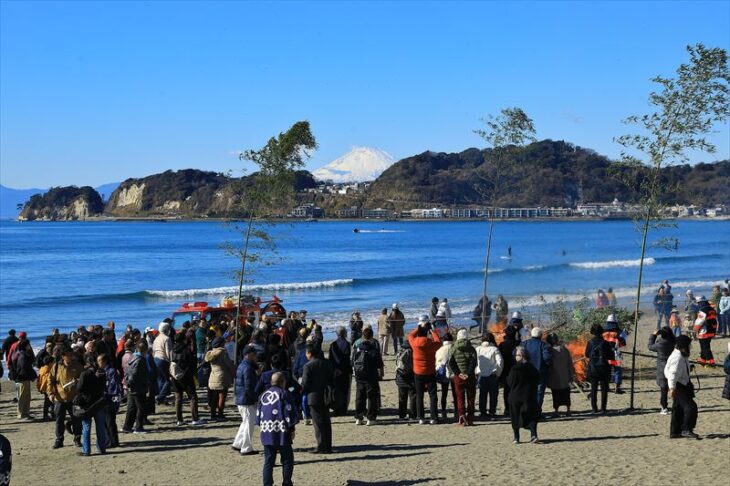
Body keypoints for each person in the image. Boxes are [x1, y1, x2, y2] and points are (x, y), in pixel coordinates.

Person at [258, 372, 298, 486]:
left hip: (267, 431)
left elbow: (259, 416)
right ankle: (287, 483)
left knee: (268, 462)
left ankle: (267, 484)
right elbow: (289, 413)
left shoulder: (263, 395)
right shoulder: (284, 394)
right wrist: (292, 429)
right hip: (282, 432)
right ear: (283, 382)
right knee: (287, 459)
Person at [47, 346, 84, 448]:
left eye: (71, 354)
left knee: (76, 419)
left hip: (74, 397)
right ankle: (59, 440)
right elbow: (50, 380)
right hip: (60, 398)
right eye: (68, 355)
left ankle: (77, 439)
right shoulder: (56, 367)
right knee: (59, 420)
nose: (70, 356)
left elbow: (83, 378)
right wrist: (50, 393)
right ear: (63, 356)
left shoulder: (77, 365)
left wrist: (78, 382)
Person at [409, 315, 442, 425]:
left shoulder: (414, 342)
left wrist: (418, 327)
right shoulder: (430, 343)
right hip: (430, 371)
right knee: (433, 395)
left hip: (418, 372)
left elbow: (410, 336)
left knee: (419, 395)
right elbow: (439, 341)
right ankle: (433, 417)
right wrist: (432, 330)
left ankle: (421, 418)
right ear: (426, 333)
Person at [665, 335, 699, 439]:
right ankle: (686, 430)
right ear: (684, 346)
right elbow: (672, 374)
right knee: (691, 407)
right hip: (678, 386)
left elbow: (678, 369)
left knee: (678, 408)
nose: (690, 347)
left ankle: (675, 432)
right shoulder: (677, 357)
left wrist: (689, 367)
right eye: (689, 345)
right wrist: (671, 388)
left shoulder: (680, 354)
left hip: (681, 384)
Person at [301, 344, 334, 453]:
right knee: (326, 421)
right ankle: (328, 445)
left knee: (318, 422)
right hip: (326, 395)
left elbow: (305, 384)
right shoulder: (327, 363)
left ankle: (321, 446)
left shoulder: (308, 366)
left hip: (313, 396)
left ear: (310, 353)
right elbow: (331, 378)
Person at [506, 346, 540, 444]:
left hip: (515, 396)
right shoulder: (532, 368)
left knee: (515, 416)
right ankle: (533, 435)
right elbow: (537, 379)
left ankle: (516, 437)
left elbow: (509, 382)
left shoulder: (514, 369)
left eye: (517, 355)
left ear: (521, 356)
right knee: (531, 415)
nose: (516, 357)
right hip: (528, 395)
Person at [75, 355, 108, 456]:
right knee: (100, 426)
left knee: (86, 427)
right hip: (99, 402)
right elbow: (103, 387)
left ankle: (86, 450)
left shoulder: (84, 374)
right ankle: (102, 448)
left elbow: (79, 389)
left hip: (87, 404)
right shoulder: (101, 373)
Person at [352, 327, 384, 426]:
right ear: (371, 337)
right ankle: (371, 418)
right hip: (371, 375)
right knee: (371, 397)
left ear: (363, 335)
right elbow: (379, 364)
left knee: (359, 396)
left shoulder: (357, 347)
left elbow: (352, 361)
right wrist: (380, 373)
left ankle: (359, 417)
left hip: (359, 374)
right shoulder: (373, 349)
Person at [170, 332, 201, 426]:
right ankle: (195, 418)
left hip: (175, 376)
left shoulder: (172, 351)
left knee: (178, 397)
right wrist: (193, 374)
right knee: (192, 397)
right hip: (186, 375)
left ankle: (179, 419)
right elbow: (192, 364)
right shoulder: (187, 350)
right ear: (183, 339)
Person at [449, 328, 478, 426]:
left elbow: (451, 363)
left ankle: (461, 417)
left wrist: (458, 373)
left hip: (459, 377)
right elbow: (474, 362)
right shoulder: (471, 348)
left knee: (460, 397)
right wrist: (468, 373)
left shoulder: (453, 348)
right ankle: (470, 418)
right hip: (470, 376)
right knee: (471, 397)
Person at [233, 345, 258, 455]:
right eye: (254, 354)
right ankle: (246, 448)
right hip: (246, 399)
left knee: (245, 422)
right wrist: (255, 398)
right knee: (249, 424)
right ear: (250, 355)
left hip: (241, 398)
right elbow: (249, 386)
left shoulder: (242, 365)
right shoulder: (248, 368)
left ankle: (238, 443)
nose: (256, 356)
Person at [585, 324, 614, 415]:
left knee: (593, 389)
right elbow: (611, 356)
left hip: (593, 369)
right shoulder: (605, 343)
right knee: (604, 389)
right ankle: (603, 408)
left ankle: (594, 408)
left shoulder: (590, 343)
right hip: (604, 368)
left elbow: (586, 354)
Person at [122, 341, 150, 434]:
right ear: (145, 350)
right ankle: (138, 427)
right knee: (141, 407)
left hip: (132, 386)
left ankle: (127, 426)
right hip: (138, 387)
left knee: (131, 407)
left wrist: (127, 384)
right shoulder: (140, 360)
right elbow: (134, 374)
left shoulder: (132, 357)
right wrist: (130, 383)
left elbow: (127, 371)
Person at [522, 327, 551, 415]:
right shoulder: (544, 345)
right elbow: (547, 358)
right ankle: (536, 412)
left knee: (527, 392)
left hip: (526, 372)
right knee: (539, 393)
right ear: (541, 335)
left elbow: (515, 353)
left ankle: (527, 411)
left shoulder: (524, 344)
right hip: (540, 373)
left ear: (531, 334)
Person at [648, 327, 675, 414]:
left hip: (663, 368)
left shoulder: (660, 343)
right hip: (673, 366)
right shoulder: (674, 341)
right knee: (674, 386)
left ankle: (664, 407)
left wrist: (653, 335)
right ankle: (677, 405)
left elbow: (650, 346)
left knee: (664, 387)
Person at [206, 337, 234, 420]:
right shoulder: (223, 352)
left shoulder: (210, 353)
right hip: (222, 376)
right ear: (221, 344)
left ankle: (213, 414)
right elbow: (228, 364)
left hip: (213, 375)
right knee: (222, 396)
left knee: (214, 397)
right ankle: (220, 414)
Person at [476, 332, 503, 419]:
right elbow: (500, 362)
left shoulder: (478, 349)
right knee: (493, 395)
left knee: (482, 395)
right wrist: (498, 373)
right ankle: (492, 412)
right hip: (492, 375)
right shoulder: (494, 349)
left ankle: (483, 412)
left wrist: (476, 372)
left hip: (481, 375)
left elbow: (475, 362)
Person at [97, 354, 122, 449]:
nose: (98, 363)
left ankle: (113, 441)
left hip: (110, 399)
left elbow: (113, 387)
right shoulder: (104, 371)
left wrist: (110, 397)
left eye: (99, 361)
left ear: (104, 361)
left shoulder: (111, 371)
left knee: (110, 421)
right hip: (106, 399)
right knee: (107, 422)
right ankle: (110, 440)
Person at [546, 333, 573, 417]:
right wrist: (570, 375)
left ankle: (556, 412)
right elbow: (570, 363)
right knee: (566, 393)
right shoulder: (564, 349)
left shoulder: (550, 351)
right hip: (565, 376)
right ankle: (568, 411)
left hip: (555, 376)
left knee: (556, 394)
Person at [328, 327, 352, 416]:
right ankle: (343, 410)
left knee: (336, 391)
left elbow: (330, 359)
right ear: (344, 333)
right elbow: (346, 358)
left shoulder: (333, 344)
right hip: (344, 370)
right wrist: (341, 369)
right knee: (345, 390)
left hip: (335, 370)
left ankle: (336, 409)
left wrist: (334, 369)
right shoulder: (347, 344)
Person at [602, 315, 626, 394]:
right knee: (617, 370)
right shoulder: (619, 332)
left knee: (606, 370)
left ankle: (606, 387)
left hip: (605, 355)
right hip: (615, 355)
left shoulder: (603, 332)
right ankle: (617, 387)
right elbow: (623, 344)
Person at [498, 325, 519, 416]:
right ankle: (516, 408)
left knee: (507, 391)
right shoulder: (519, 343)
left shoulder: (502, 344)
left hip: (506, 370)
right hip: (517, 369)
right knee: (517, 389)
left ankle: (507, 408)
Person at [434, 332, 455, 422]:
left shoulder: (440, 350)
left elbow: (437, 362)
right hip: (454, 372)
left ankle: (443, 411)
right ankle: (457, 411)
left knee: (444, 393)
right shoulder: (454, 348)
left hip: (442, 372)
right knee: (455, 393)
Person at [13, 340, 36, 420]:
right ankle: (21, 413)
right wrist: (31, 374)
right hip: (22, 378)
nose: (29, 346)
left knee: (26, 396)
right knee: (23, 396)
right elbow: (24, 367)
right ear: (26, 346)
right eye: (28, 345)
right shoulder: (22, 355)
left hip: (24, 378)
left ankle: (26, 413)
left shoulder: (22, 353)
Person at [152, 321, 173, 405]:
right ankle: (160, 397)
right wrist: (171, 362)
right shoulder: (166, 338)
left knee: (160, 380)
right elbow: (169, 352)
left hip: (156, 359)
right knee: (168, 381)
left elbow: (153, 350)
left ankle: (161, 397)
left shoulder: (157, 338)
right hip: (163, 360)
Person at [394, 340, 416, 421]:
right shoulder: (411, 352)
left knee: (402, 397)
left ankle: (402, 415)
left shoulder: (399, 351)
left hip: (400, 376)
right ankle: (412, 415)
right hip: (410, 376)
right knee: (413, 396)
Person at [693, 296, 717, 365]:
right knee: (705, 346)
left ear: (701, 303)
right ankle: (702, 359)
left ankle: (710, 361)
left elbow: (699, 322)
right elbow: (714, 321)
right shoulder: (712, 309)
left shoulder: (703, 311)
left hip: (704, 332)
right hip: (711, 331)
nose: (698, 305)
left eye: (698, 303)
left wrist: (695, 329)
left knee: (705, 347)